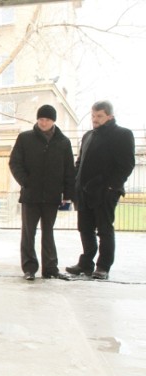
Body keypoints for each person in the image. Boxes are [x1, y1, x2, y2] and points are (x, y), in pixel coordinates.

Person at [66, 101, 135, 280]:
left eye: (99, 116)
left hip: (105, 192)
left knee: (104, 230)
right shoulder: (88, 135)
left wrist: (112, 187)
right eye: (93, 116)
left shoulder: (122, 134)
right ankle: (86, 263)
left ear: (110, 116)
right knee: (85, 229)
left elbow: (127, 164)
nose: (95, 120)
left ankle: (103, 266)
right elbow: (80, 162)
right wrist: (75, 183)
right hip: (83, 191)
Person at [9, 104, 76, 281]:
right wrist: (25, 182)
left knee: (49, 232)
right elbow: (15, 163)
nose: (43, 122)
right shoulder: (25, 138)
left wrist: (68, 194)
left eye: (47, 119)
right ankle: (29, 268)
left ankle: (50, 268)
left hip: (53, 196)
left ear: (53, 121)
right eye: (41, 119)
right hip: (31, 195)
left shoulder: (63, 142)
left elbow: (69, 169)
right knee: (28, 232)